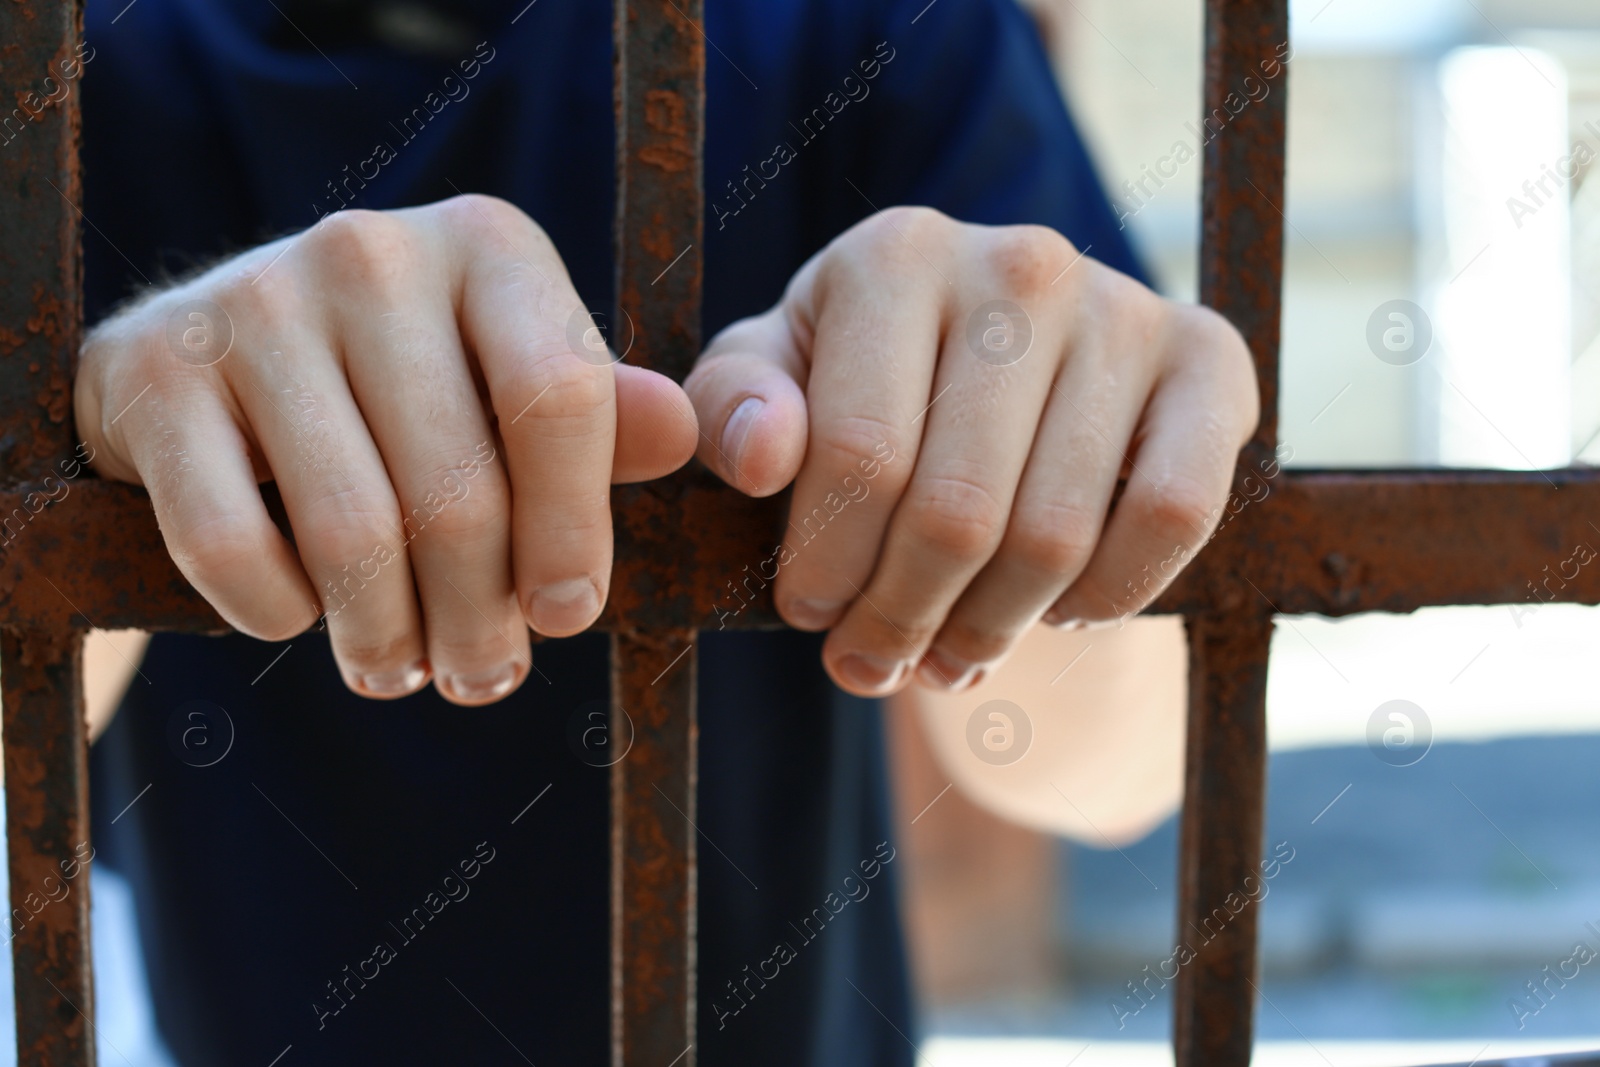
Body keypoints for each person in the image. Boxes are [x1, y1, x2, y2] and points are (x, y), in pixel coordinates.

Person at [72, 0, 1256, 1062]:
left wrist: (1044, 455)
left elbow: (1121, 767)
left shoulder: (871, 27)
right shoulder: (74, 57)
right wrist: (106, 432)